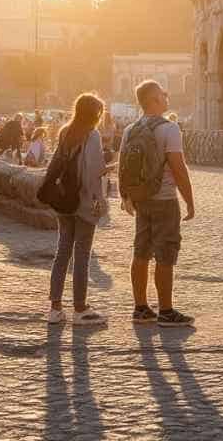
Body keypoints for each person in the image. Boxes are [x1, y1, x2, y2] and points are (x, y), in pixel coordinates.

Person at [121, 80, 195, 328]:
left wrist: (126, 196)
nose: (167, 97)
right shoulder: (169, 129)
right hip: (164, 198)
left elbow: (123, 166)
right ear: (154, 99)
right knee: (166, 253)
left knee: (140, 251)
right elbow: (178, 166)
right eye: (163, 94)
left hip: (142, 198)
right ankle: (166, 310)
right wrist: (189, 200)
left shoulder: (130, 129)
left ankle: (140, 308)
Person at [44, 92, 109, 327]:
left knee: (62, 252)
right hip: (82, 201)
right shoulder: (92, 135)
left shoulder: (65, 132)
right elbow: (92, 172)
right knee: (82, 254)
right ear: (95, 114)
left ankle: (55, 308)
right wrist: (98, 199)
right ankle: (80, 309)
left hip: (64, 200)